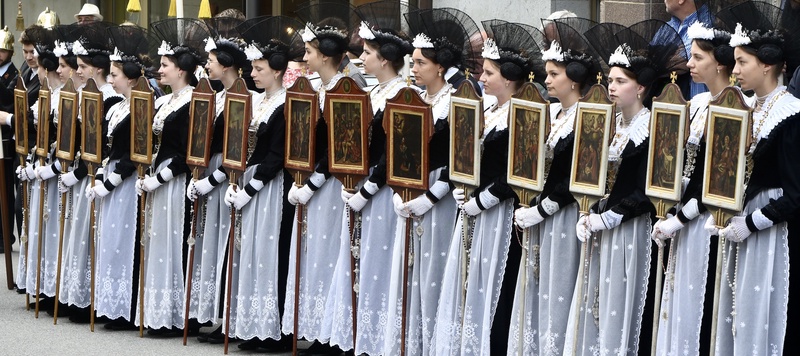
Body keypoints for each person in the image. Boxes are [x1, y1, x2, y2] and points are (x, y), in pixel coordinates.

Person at [565, 20, 687, 355]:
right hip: (600, 226)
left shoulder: (652, 127)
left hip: (630, 229)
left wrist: (613, 216)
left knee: (623, 302)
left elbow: (652, 187)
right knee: (594, 304)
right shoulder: (607, 122)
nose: (612, 87)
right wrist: (587, 211)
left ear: (642, 88)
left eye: (621, 81)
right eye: (611, 80)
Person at [432, 20, 543, 355]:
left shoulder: (522, 115)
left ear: (508, 79)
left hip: (499, 213)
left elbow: (518, 174)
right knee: (470, 278)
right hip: (474, 209)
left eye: (489, 73)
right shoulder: (491, 110)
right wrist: (459, 186)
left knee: (497, 279)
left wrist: (481, 201)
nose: (481, 78)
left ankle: (492, 345)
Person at [706, 2, 800, 353]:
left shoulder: (790, 114)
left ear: (768, 65)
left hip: (776, 232)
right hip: (743, 223)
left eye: (743, 62)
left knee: (766, 312)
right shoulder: (746, 108)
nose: (735, 70)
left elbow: (795, 193)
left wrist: (753, 221)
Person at [320, 1, 413, 354]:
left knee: (377, 261)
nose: (361, 57)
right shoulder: (370, 92)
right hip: (359, 186)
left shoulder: (403, 96)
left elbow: (394, 154)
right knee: (357, 257)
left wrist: (369, 187)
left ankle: (377, 338)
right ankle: (356, 333)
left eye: (368, 52)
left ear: (385, 59)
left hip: (383, 192)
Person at [509, 17, 602, 355]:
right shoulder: (555, 114)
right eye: (546, 73)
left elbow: (576, 176)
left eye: (554, 74)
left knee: (559, 285)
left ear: (574, 80)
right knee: (538, 285)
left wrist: (542, 208)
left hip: (564, 215)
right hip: (542, 214)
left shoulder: (585, 117)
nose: (546, 79)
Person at [649, 21, 742, 355]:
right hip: (682, 210)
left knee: (702, 295)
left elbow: (716, 176)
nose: (689, 64)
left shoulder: (737, 106)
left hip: (707, 218)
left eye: (697, 57)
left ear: (719, 63)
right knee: (677, 293)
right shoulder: (698, 104)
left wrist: (682, 217)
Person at [221, 15, 303, 352]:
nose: (252, 74)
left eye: (258, 69)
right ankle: (251, 325)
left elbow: (276, 155)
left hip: (271, 188)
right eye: (252, 68)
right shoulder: (256, 102)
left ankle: (274, 329)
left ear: (277, 71)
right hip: (248, 182)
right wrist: (233, 179)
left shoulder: (286, 104)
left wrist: (251, 189)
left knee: (271, 254)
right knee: (250, 252)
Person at [282, 3, 353, 353]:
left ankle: (331, 333)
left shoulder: (344, 91)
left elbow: (340, 147)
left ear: (326, 57)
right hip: (306, 180)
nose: (305, 57)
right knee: (310, 252)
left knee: (327, 251)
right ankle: (312, 326)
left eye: (309, 52)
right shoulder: (311, 88)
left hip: (329, 185)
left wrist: (313, 183)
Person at [136, 18, 209, 336]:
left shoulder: (196, 101)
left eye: (164, 65)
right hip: (157, 178)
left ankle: (178, 315)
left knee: (176, 242)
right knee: (157, 241)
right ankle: (157, 312)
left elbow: (187, 153)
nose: (159, 70)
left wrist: (160, 177)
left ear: (181, 69)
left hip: (176, 182)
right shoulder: (164, 101)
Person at [184, 16, 247, 343]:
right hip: (209, 169)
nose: (206, 65)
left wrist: (215, 177)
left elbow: (237, 146)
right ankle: (213, 313)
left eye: (210, 61)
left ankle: (230, 320)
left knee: (227, 245)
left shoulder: (240, 95)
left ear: (226, 65)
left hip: (228, 173)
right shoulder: (216, 93)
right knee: (211, 243)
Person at [85, 24, 151, 331]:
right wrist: (99, 175)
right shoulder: (116, 108)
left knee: (123, 241)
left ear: (131, 77)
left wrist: (110, 182)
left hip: (125, 184)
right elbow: (108, 147)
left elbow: (134, 152)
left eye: (115, 75)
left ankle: (124, 307)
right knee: (108, 241)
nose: (111, 79)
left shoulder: (140, 107)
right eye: (110, 74)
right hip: (110, 176)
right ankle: (109, 304)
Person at [57, 21, 123, 323]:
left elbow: (101, 146)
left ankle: (89, 301)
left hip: (94, 174)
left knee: (89, 234)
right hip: (83, 172)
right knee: (79, 233)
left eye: (82, 66)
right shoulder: (85, 94)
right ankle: (77, 296)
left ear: (97, 69)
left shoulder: (109, 98)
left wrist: (82, 172)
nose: (77, 71)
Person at [0, 26, 19, 255]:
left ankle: (5, 236)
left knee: (5, 188)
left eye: (2, 50)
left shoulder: (13, 75)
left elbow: (9, 103)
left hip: (6, 137)